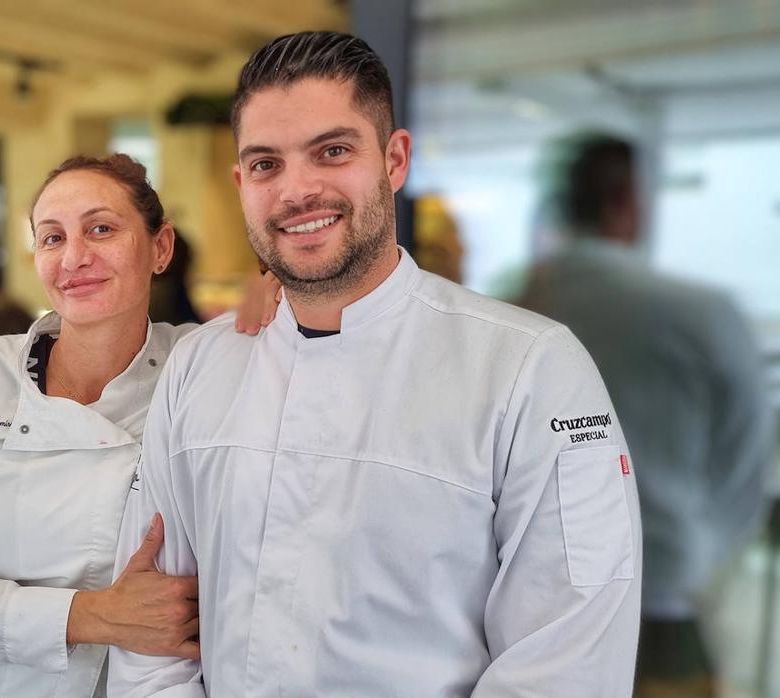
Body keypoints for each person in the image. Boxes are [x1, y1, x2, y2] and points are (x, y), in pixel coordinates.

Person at [110, 31, 641, 697]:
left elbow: (568, 662)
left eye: (332, 152)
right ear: (241, 182)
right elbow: (151, 629)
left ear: (394, 161)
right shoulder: (198, 367)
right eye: (266, 164)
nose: (297, 190)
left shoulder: (532, 370)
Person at [0, 154, 279, 697]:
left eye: (101, 229)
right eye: (52, 238)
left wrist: (285, 292)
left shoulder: (201, 364)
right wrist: (99, 614)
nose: (74, 257)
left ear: (161, 248)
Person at [514, 132, 773, 698]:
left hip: (530, 606)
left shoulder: (515, 305)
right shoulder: (701, 314)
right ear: (629, 200)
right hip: (660, 602)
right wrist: (692, 558)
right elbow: (747, 463)